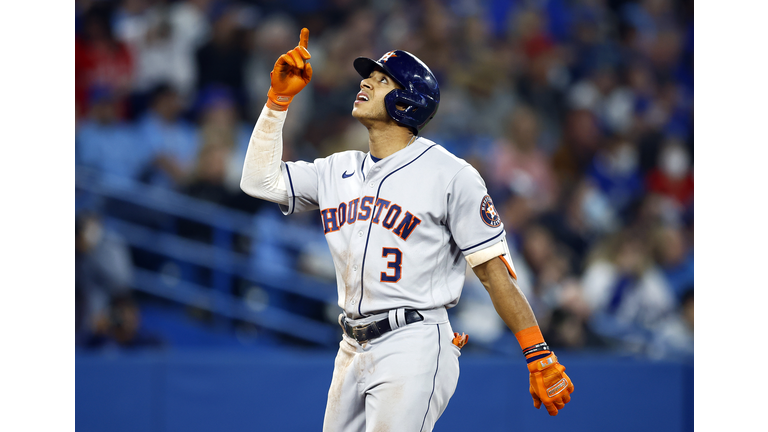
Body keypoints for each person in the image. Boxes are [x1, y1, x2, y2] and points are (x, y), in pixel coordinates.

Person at [240, 29, 574, 431]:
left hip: (413, 341)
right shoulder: (335, 169)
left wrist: (537, 352)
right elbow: (258, 181)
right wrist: (277, 102)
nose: (365, 82)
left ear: (407, 101)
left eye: (382, 81)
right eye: (370, 77)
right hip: (350, 345)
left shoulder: (451, 175)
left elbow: (492, 273)